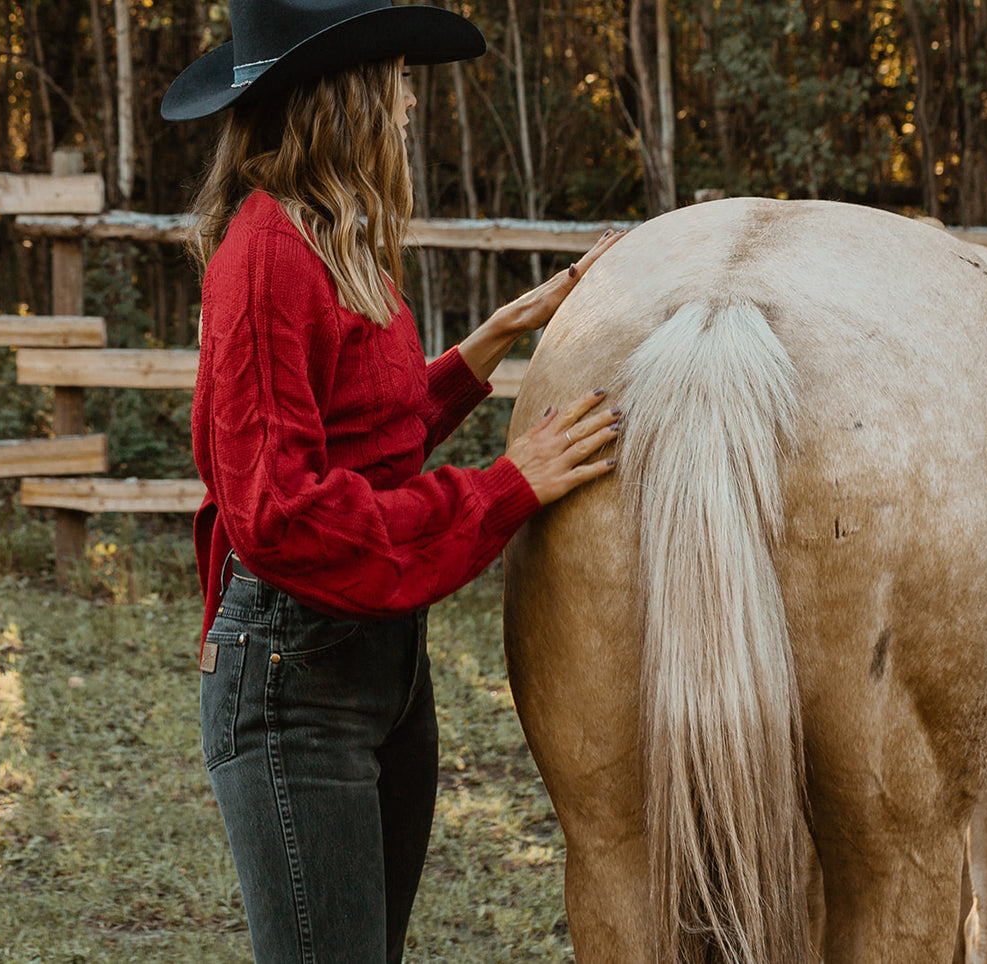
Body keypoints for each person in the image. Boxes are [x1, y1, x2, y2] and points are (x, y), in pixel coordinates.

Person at [161, 2, 624, 960]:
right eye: (398, 80)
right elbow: (280, 514)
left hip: (380, 666)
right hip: (294, 678)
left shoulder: (331, 241)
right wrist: (503, 489)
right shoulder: (262, 259)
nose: (410, 103)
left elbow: (360, 442)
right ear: (349, 96)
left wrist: (482, 348)